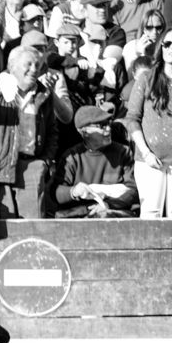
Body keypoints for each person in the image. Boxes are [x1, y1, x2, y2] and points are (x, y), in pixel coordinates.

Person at [0, 46, 73, 219]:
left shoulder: (43, 93)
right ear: (12, 66)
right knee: (3, 224)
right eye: (28, 64)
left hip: (31, 167)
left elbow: (52, 132)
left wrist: (44, 162)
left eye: (37, 65)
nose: (34, 69)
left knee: (33, 226)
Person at [48, 105, 138, 218]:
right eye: (102, 126)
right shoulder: (72, 157)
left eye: (108, 123)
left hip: (114, 214)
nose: (108, 129)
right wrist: (74, 191)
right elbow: (56, 193)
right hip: (79, 216)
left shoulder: (123, 152)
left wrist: (109, 205)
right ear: (85, 132)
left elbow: (134, 191)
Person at [124, 30, 172, 217]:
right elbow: (132, 119)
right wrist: (146, 152)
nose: (171, 49)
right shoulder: (146, 79)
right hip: (150, 160)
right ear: (161, 48)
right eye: (167, 44)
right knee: (151, 214)